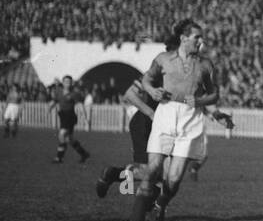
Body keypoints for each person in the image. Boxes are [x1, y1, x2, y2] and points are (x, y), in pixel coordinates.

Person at [126, 18, 220, 221]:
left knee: (175, 177)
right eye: (197, 37)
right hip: (166, 114)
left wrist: (199, 102)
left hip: (190, 119)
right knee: (153, 169)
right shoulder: (163, 60)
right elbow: (146, 81)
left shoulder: (205, 65)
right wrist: (152, 92)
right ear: (184, 38)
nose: (201, 41)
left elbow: (214, 93)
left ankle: (160, 203)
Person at [96, 77, 233, 200]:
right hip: (144, 124)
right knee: (150, 172)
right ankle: (113, 174)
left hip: (165, 127)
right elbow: (130, 95)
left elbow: (202, 98)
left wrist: (216, 113)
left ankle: (149, 212)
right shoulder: (160, 70)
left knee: (163, 176)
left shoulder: (192, 75)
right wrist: (150, 113)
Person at [49, 75, 90, 164]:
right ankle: (84, 154)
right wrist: (50, 108)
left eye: (69, 82)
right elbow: (55, 101)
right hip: (63, 116)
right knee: (69, 139)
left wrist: (84, 116)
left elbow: (79, 105)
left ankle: (59, 157)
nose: (68, 83)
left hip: (70, 116)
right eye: (66, 82)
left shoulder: (74, 93)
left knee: (62, 134)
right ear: (63, 83)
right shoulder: (58, 92)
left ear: (72, 83)